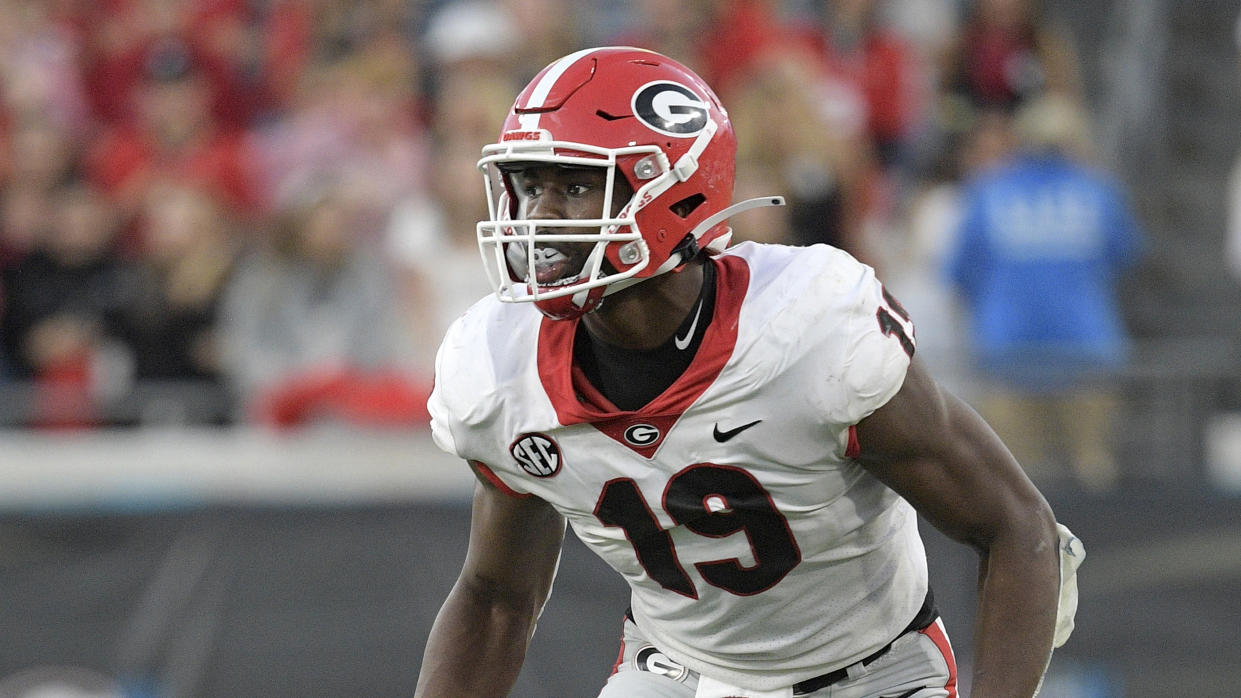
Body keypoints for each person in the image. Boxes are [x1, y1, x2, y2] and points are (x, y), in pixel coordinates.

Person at [417, 47, 1081, 698]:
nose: (538, 217)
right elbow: (497, 597)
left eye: (574, 185)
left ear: (674, 194)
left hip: (871, 676)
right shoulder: (499, 369)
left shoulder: (808, 329)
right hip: (674, 673)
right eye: (530, 186)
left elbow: (1016, 527)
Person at [945, 94, 1143, 491]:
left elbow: (960, 273)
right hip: (1084, 348)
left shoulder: (989, 192)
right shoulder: (1098, 192)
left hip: (1009, 351)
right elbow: (1126, 255)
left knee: (1014, 485)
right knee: (1092, 474)